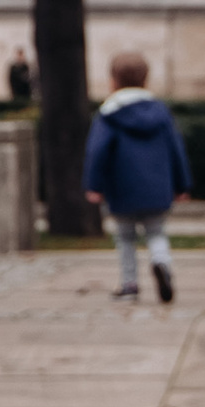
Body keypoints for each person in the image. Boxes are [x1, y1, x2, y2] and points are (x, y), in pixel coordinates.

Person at [83, 52, 194, 305]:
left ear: (113, 81)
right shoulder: (161, 112)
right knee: (156, 232)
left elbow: (97, 151)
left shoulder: (108, 114)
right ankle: (161, 263)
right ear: (146, 79)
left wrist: (94, 185)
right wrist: (182, 184)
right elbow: (176, 149)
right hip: (156, 187)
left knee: (125, 238)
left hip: (122, 187)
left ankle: (130, 285)